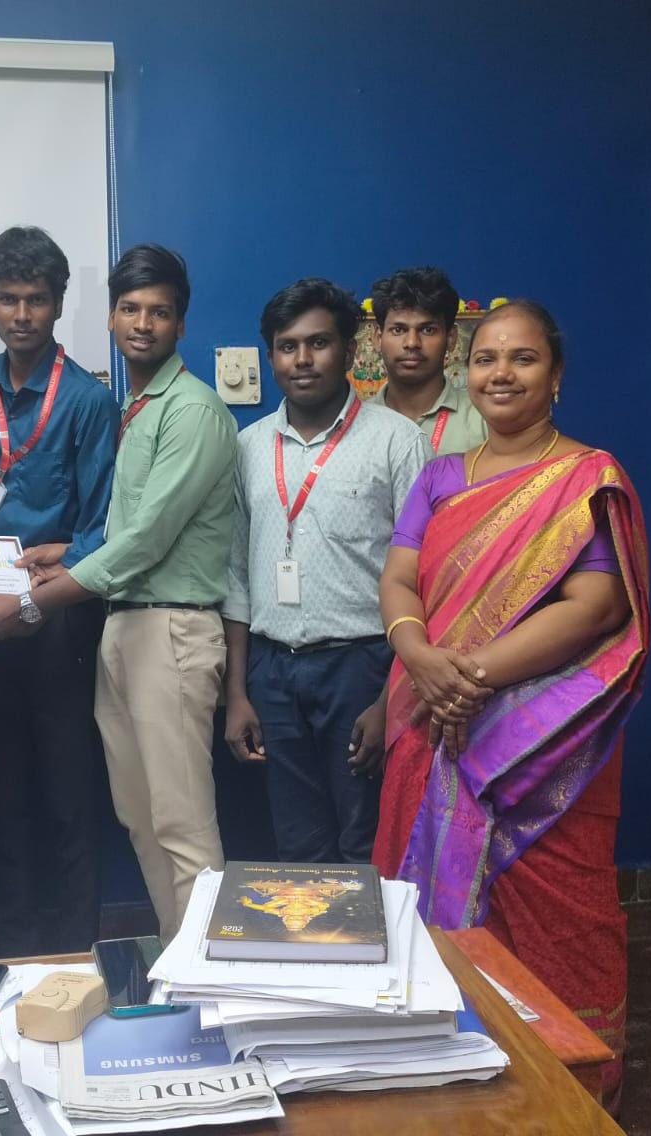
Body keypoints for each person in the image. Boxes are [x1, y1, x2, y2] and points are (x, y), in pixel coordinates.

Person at [373, 299, 649, 1111]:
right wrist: (420, 657)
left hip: (543, 739)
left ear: (555, 375)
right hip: (429, 721)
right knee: (422, 910)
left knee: (559, 909)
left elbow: (596, 606)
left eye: (522, 358)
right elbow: (398, 579)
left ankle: (565, 1090)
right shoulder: (439, 478)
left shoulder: (586, 477)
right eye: (486, 359)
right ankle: (438, 1070)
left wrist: (469, 677)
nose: (501, 373)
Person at [0, 244, 237, 942]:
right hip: (122, 624)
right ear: (110, 317)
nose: (142, 324)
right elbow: (121, 524)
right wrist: (66, 549)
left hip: (169, 628)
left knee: (181, 825)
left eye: (159, 312)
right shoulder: (139, 408)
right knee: (140, 818)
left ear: (180, 323)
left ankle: (210, 985)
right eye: (130, 309)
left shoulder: (191, 411)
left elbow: (144, 540)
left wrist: (31, 602)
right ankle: (178, 965)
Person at [0, 227, 119, 955]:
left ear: (57, 305)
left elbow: (103, 523)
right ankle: (15, 953)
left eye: (37, 300)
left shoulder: (87, 399)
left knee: (66, 795)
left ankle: (75, 954)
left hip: (59, 621)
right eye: (9, 299)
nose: (22, 315)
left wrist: (61, 563)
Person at [221, 278, 427, 864]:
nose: (303, 360)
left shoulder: (397, 442)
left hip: (363, 668)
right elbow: (236, 572)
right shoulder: (248, 447)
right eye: (287, 347)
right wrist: (237, 694)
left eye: (319, 343)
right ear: (271, 357)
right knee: (298, 847)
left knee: (369, 844)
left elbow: (426, 580)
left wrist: (391, 701)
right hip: (272, 673)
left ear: (350, 351)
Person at [367, 266, 487, 455]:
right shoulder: (356, 423)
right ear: (377, 338)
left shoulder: (484, 418)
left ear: (451, 338)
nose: (412, 343)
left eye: (427, 330)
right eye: (398, 330)